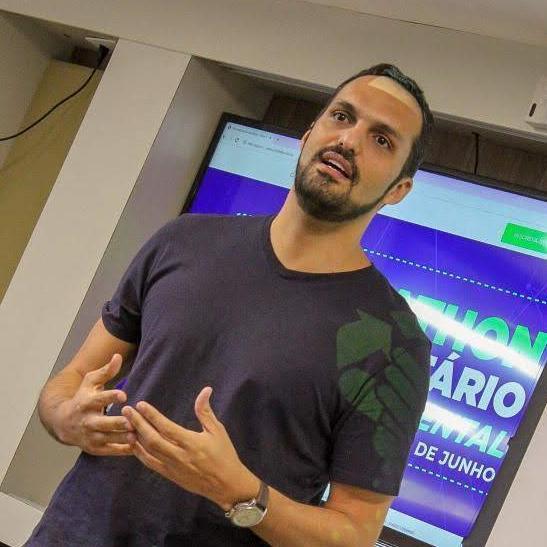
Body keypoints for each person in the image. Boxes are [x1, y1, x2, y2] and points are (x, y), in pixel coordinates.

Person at [27, 63, 433, 547]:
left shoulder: (393, 343)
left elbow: (355, 534)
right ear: (309, 134)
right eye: (342, 117)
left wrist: (241, 493)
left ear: (399, 189)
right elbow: (67, 383)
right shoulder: (183, 240)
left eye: (381, 140)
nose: (349, 140)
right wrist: (66, 418)